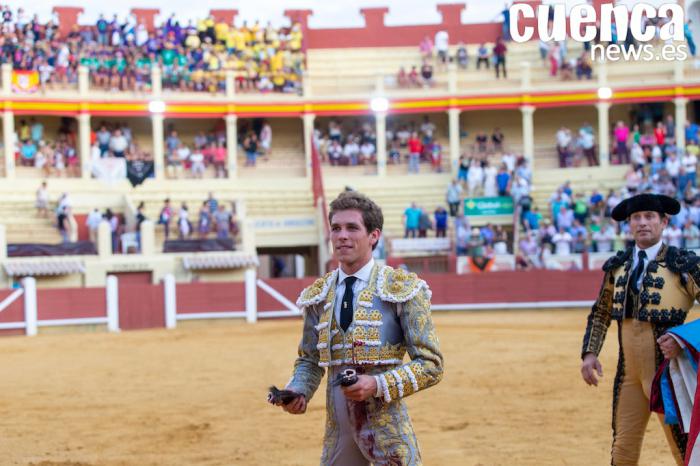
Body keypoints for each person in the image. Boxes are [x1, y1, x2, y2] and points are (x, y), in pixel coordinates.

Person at [275, 191, 443, 465]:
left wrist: (377, 384)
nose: (342, 236)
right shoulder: (319, 294)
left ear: (373, 236)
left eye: (352, 228)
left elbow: (431, 364)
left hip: (387, 430)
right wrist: (298, 390)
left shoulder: (402, 289)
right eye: (336, 228)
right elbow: (309, 360)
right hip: (338, 431)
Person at [581, 193, 695, 465]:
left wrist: (683, 339)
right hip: (629, 375)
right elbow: (601, 312)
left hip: (671, 373)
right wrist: (589, 353)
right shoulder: (618, 266)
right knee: (623, 449)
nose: (642, 223)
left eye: (649, 217)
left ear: (664, 222)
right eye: (636, 218)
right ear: (629, 224)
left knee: (686, 451)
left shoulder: (684, 264)